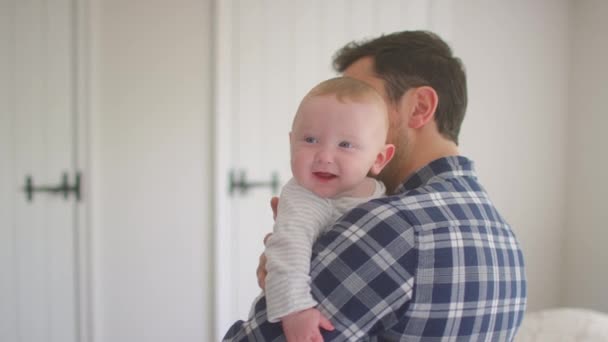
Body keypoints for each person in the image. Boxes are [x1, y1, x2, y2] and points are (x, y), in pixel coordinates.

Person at [224, 30, 527, 341]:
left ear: (420, 107)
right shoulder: (504, 238)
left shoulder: (392, 226)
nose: (342, 118)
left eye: (363, 97)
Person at [260, 76, 395, 341]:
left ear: (379, 159)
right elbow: (288, 251)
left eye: (345, 145)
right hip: (307, 309)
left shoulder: (379, 193)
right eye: (310, 139)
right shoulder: (305, 197)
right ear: (291, 143)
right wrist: (295, 312)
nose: (324, 156)